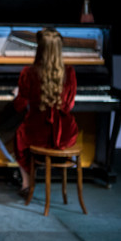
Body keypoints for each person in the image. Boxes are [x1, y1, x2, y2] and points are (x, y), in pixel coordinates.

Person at [12, 27, 78, 197]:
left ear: (39, 48)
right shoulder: (69, 72)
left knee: (20, 137)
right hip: (64, 134)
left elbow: (19, 106)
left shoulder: (28, 72)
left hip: (37, 133)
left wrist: (17, 94)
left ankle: (26, 183)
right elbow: (69, 106)